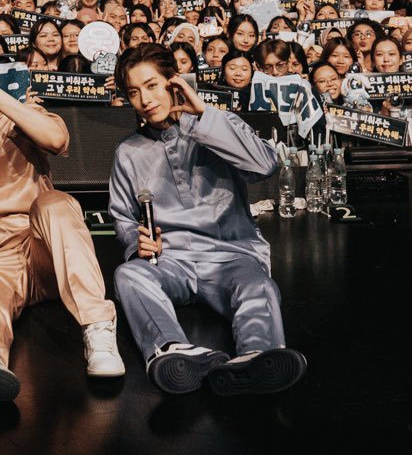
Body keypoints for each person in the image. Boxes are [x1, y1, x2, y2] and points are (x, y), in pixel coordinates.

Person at [0, 41, 123, 402]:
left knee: (56, 204)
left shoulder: (19, 110)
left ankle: (99, 331)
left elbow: (58, 139)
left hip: (44, 249)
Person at [109, 43, 307, 394]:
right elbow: (124, 217)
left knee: (259, 287)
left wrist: (203, 114)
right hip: (170, 261)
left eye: (152, 85)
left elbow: (266, 165)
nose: (145, 99)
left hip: (232, 255)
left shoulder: (218, 123)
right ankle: (173, 350)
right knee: (128, 275)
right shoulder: (127, 151)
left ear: (175, 81)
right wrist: (135, 243)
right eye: (134, 92)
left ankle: (258, 357)